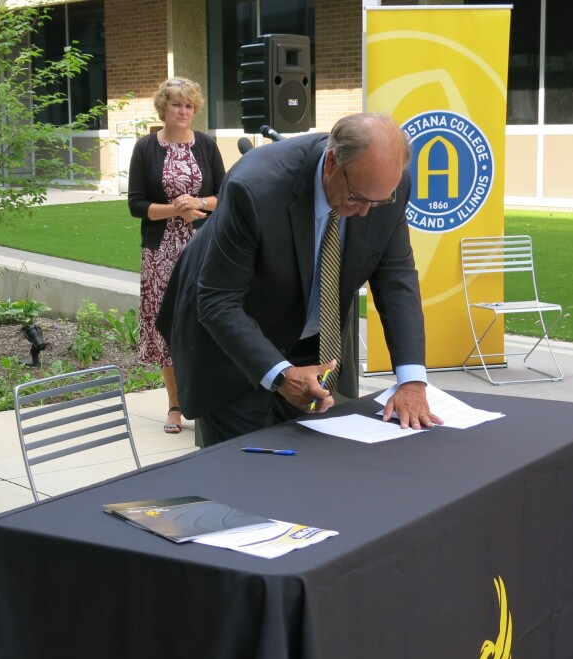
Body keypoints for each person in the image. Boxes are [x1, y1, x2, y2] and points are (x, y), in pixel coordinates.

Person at [156, 111, 443, 447]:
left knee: (312, 467)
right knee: (248, 472)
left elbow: (396, 279)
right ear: (332, 163)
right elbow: (217, 300)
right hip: (234, 349)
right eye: (357, 198)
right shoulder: (255, 188)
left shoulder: (387, 187)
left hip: (307, 343)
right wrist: (281, 374)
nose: (367, 211)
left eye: (378, 201)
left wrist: (411, 381)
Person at [128, 77, 225, 434]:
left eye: (189, 105)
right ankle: (175, 404)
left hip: (204, 248)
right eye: (176, 105)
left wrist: (198, 203)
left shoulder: (207, 145)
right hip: (161, 252)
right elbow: (136, 205)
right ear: (163, 108)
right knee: (167, 324)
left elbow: (225, 194)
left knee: (206, 321)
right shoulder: (145, 148)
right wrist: (175, 210)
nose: (183, 111)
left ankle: (206, 398)